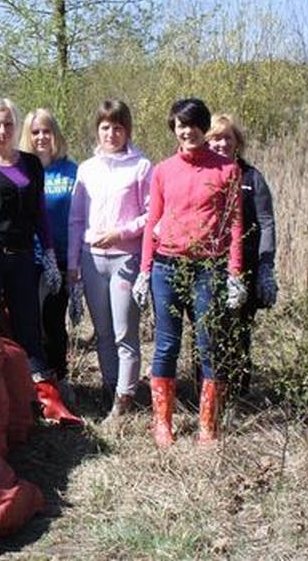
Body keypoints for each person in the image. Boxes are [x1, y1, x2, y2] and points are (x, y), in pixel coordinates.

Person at [133, 98, 245, 447]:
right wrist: (144, 269)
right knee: (166, 344)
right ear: (175, 130)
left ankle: (208, 426)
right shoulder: (163, 170)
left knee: (207, 345)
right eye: (180, 125)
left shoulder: (227, 170)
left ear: (204, 127)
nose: (187, 131)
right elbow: (153, 222)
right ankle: (162, 423)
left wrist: (235, 273)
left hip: (207, 268)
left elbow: (235, 226)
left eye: (193, 124)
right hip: (166, 266)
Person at [0, 97, 63, 419]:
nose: (2, 130)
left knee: (29, 328)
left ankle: (40, 401)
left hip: (22, 259)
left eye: (8, 124)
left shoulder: (30, 164)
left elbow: (40, 215)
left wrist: (48, 255)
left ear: (16, 126)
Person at [67, 100, 152, 418]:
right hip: (92, 261)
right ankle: (110, 388)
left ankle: (125, 398)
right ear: (97, 130)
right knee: (102, 332)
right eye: (105, 127)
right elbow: (76, 220)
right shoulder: (86, 169)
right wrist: (73, 263)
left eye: (118, 127)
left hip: (125, 259)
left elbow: (151, 215)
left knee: (123, 333)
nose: (111, 133)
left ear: (127, 130)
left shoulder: (141, 166)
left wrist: (121, 232)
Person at [206, 113, 278, 396]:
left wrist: (265, 265)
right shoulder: (202, 174)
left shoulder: (252, 178)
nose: (221, 144)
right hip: (208, 264)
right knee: (207, 330)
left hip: (244, 266)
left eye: (227, 138)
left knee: (239, 330)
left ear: (237, 142)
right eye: (215, 138)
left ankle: (238, 392)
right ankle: (208, 391)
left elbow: (267, 222)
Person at [19, 108, 77, 399]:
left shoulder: (71, 170)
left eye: (46, 131)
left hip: (61, 258)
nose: (41, 137)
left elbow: (80, 218)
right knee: (29, 321)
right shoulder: (21, 169)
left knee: (53, 321)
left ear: (55, 134)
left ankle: (60, 375)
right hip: (26, 258)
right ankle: (33, 381)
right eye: (35, 132)